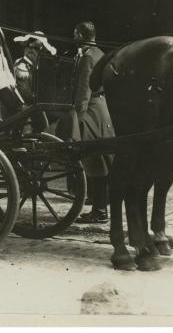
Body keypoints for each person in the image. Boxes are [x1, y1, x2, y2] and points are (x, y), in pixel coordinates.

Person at [57, 21, 114, 223]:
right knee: (102, 159)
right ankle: (101, 205)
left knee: (94, 161)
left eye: (75, 33)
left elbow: (84, 90)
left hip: (90, 111)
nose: (73, 36)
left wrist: (78, 118)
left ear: (80, 35)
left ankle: (99, 211)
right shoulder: (99, 53)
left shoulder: (87, 57)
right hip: (101, 109)